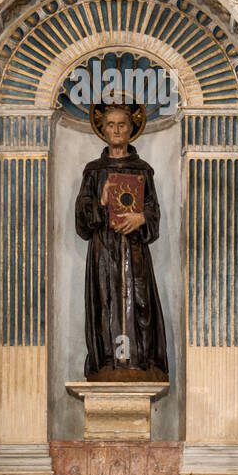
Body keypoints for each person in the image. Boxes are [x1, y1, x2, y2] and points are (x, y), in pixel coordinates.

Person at [74, 103, 169, 381]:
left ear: (132, 129)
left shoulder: (142, 170)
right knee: (106, 300)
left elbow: (154, 211)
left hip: (134, 250)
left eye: (122, 124)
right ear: (103, 130)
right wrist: (101, 203)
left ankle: (139, 363)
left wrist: (142, 218)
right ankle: (106, 362)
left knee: (140, 303)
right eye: (111, 125)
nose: (116, 130)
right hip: (104, 251)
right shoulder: (93, 171)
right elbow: (81, 220)